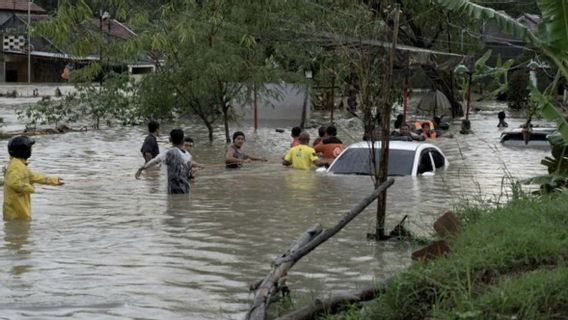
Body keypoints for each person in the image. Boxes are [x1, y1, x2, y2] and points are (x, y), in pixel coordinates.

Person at [3, 136, 64, 221]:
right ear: (23, 150)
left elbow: (34, 177)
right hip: (14, 211)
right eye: (29, 148)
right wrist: (31, 188)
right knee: (18, 231)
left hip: (20, 208)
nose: (31, 150)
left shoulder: (20, 165)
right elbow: (14, 183)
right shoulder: (15, 166)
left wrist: (54, 180)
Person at [135, 128, 192, 194]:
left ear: (170, 139)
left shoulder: (168, 152)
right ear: (183, 140)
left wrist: (141, 168)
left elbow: (155, 161)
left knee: (173, 202)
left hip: (173, 188)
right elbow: (189, 173)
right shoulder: (188, 156)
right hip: (186, 188)